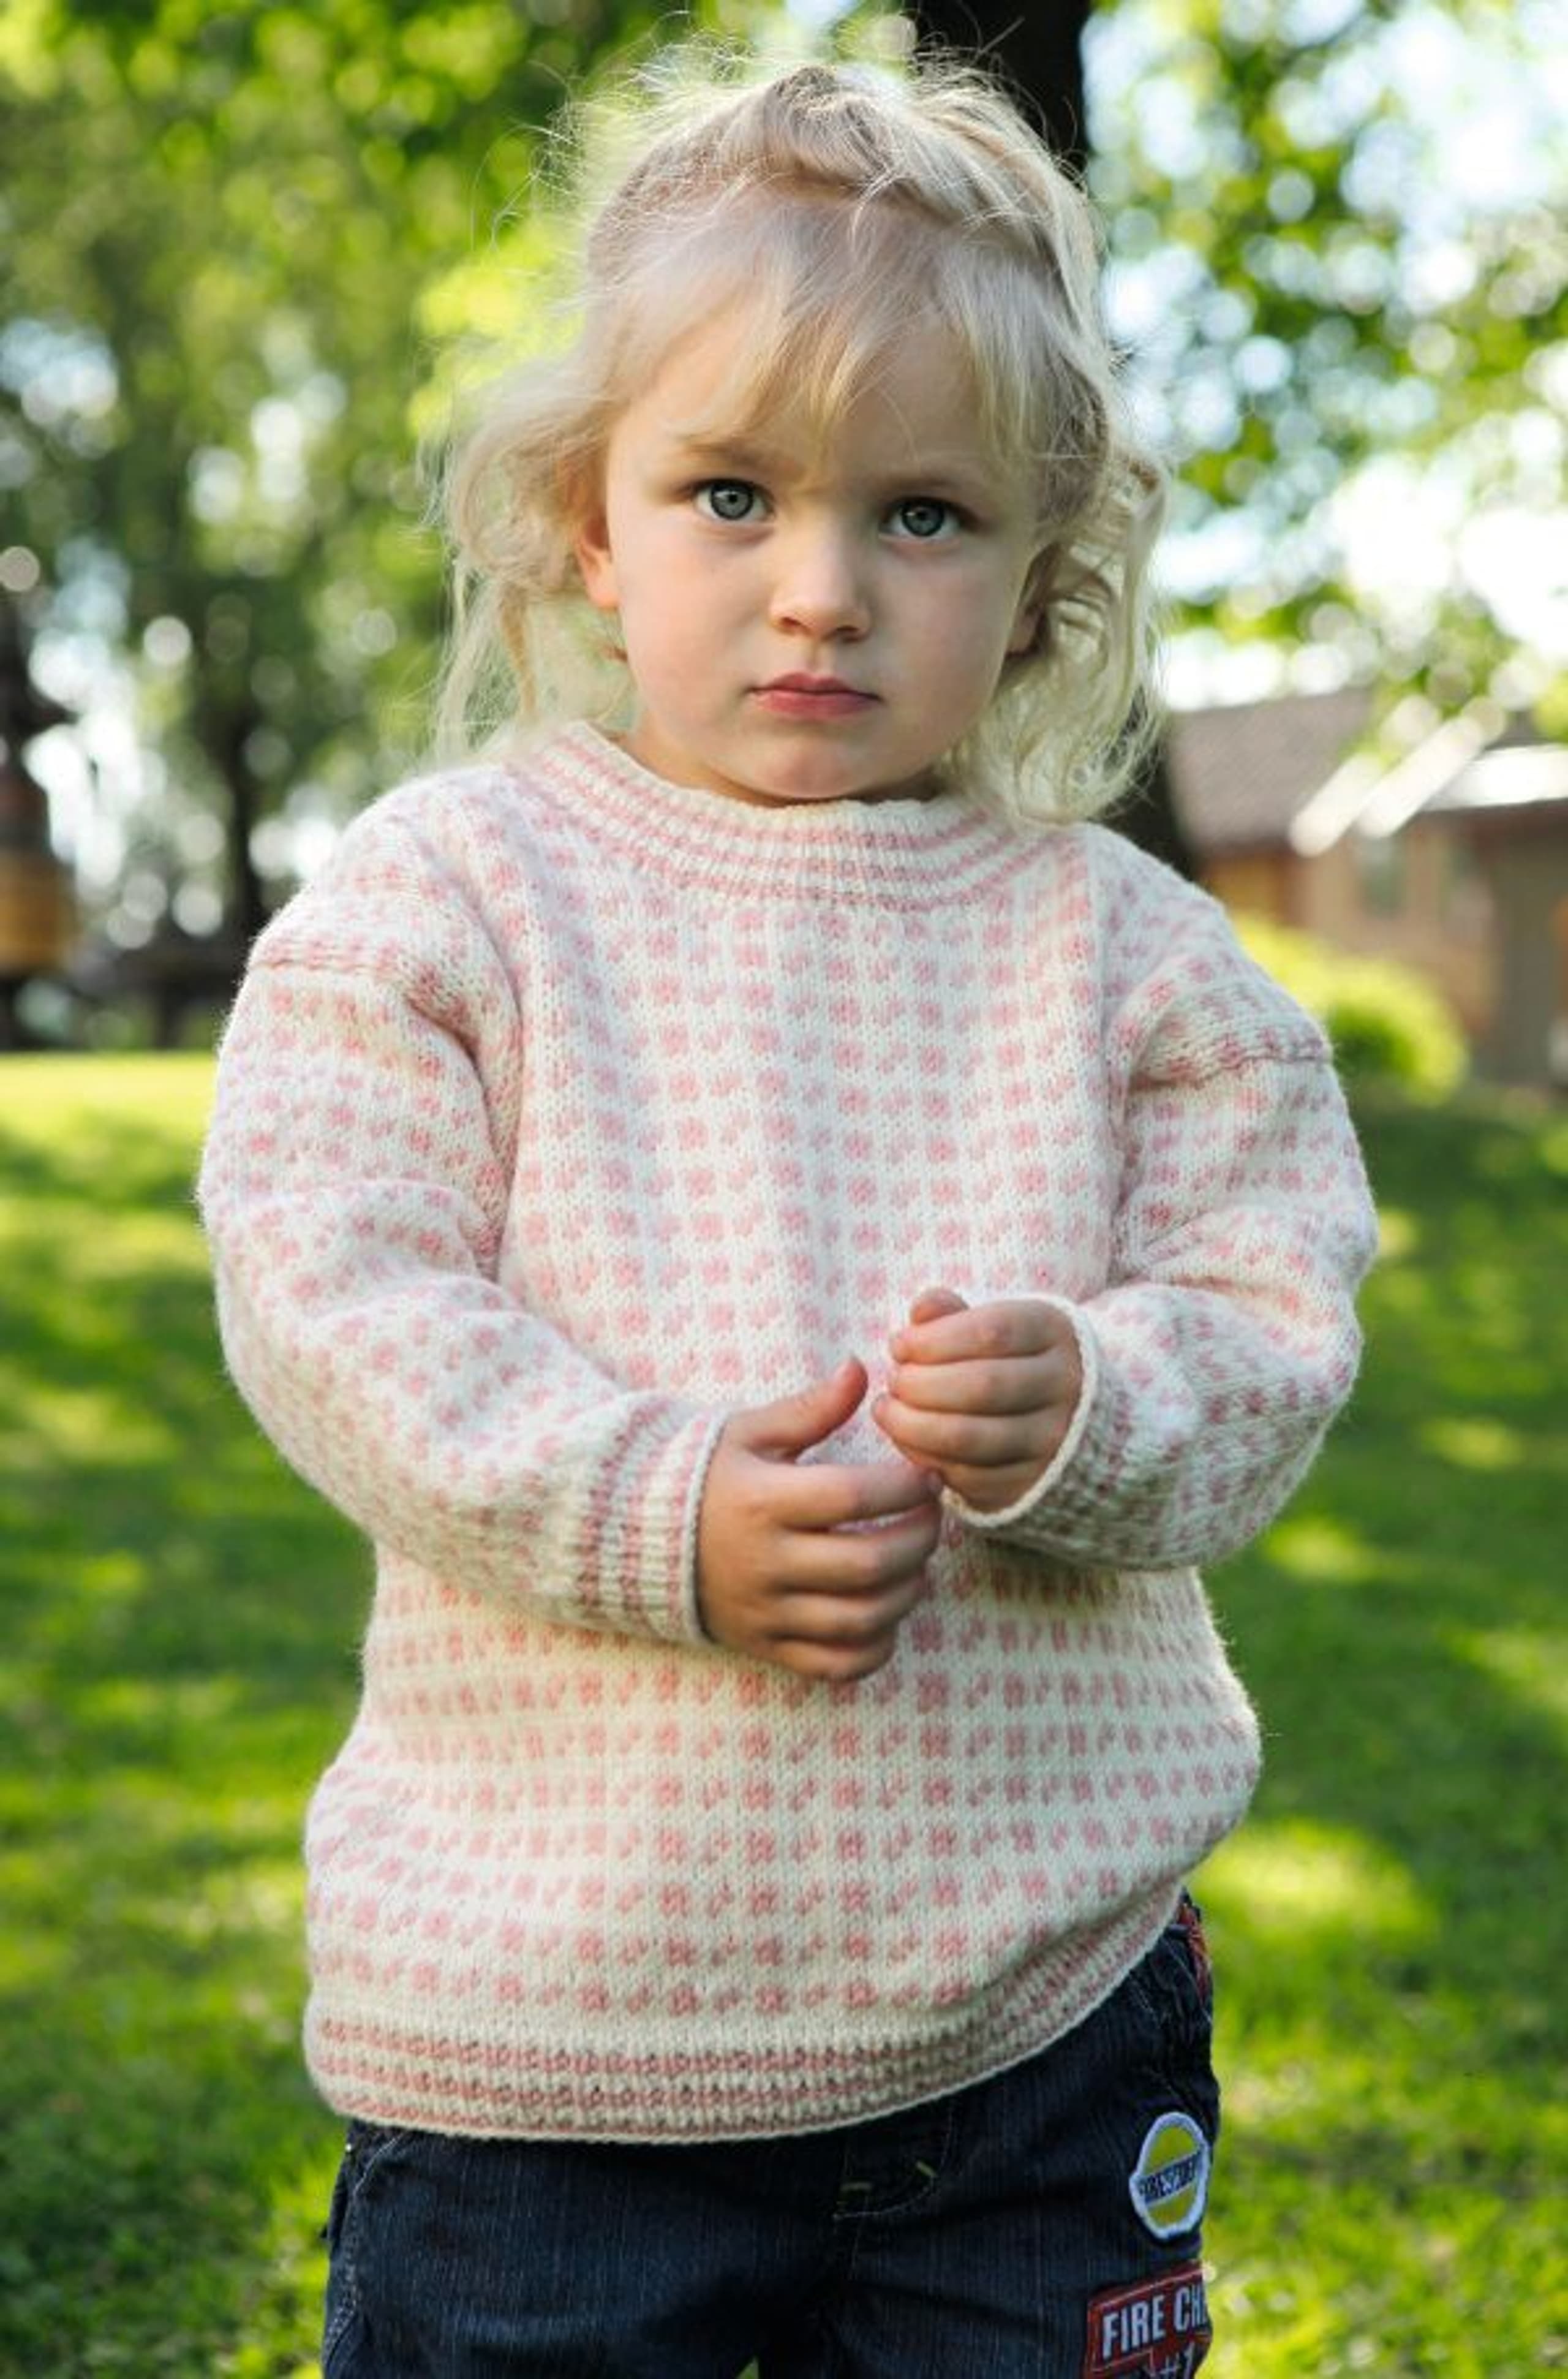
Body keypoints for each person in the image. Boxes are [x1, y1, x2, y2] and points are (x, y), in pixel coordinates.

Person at [198, 48, 1378, 2379]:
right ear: (589, 520)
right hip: (551, 2047)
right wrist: (650, 1503)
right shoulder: (455, 896)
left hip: (1042, 2038)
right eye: (730, 493)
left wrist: (1096, 1399)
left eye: (924, 515)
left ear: (1039, 582)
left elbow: (1274, 1312)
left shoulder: (1133, 955)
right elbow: (333, 1279)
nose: (821, 593)